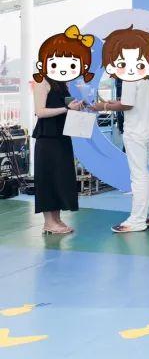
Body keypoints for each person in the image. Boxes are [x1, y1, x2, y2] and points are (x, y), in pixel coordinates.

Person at [91, 26, 149, 234]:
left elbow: (127, 104)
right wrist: (113, 103)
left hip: (137, 131)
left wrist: (103, 106)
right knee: (142, 171)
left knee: (138, 175)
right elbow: (132, 100)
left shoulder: (128, 73)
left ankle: (137, 219)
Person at [31, 26, 95, 235]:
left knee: (60, 178)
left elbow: (67, 105)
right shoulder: (42, 83)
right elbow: (40, 111)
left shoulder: (62, 84)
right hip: (47, 138)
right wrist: (67, 109)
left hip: (61, 137)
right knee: (48, 179)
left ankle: (56, 220)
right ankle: (48, 222)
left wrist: (79, 106)